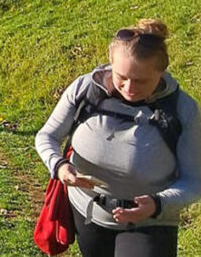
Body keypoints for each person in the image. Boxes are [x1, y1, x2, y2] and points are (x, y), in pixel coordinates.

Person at [35, 19, 201, 257]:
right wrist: (60, 167)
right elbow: (46, 136)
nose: (130, 87)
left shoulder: (183, 110)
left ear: (162, 72)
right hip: (88, 213)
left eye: (141, 80)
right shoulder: (85, 89)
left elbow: (194, 181)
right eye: (121, 76)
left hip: (151, 224)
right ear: (110, 62)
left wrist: (157, 204)